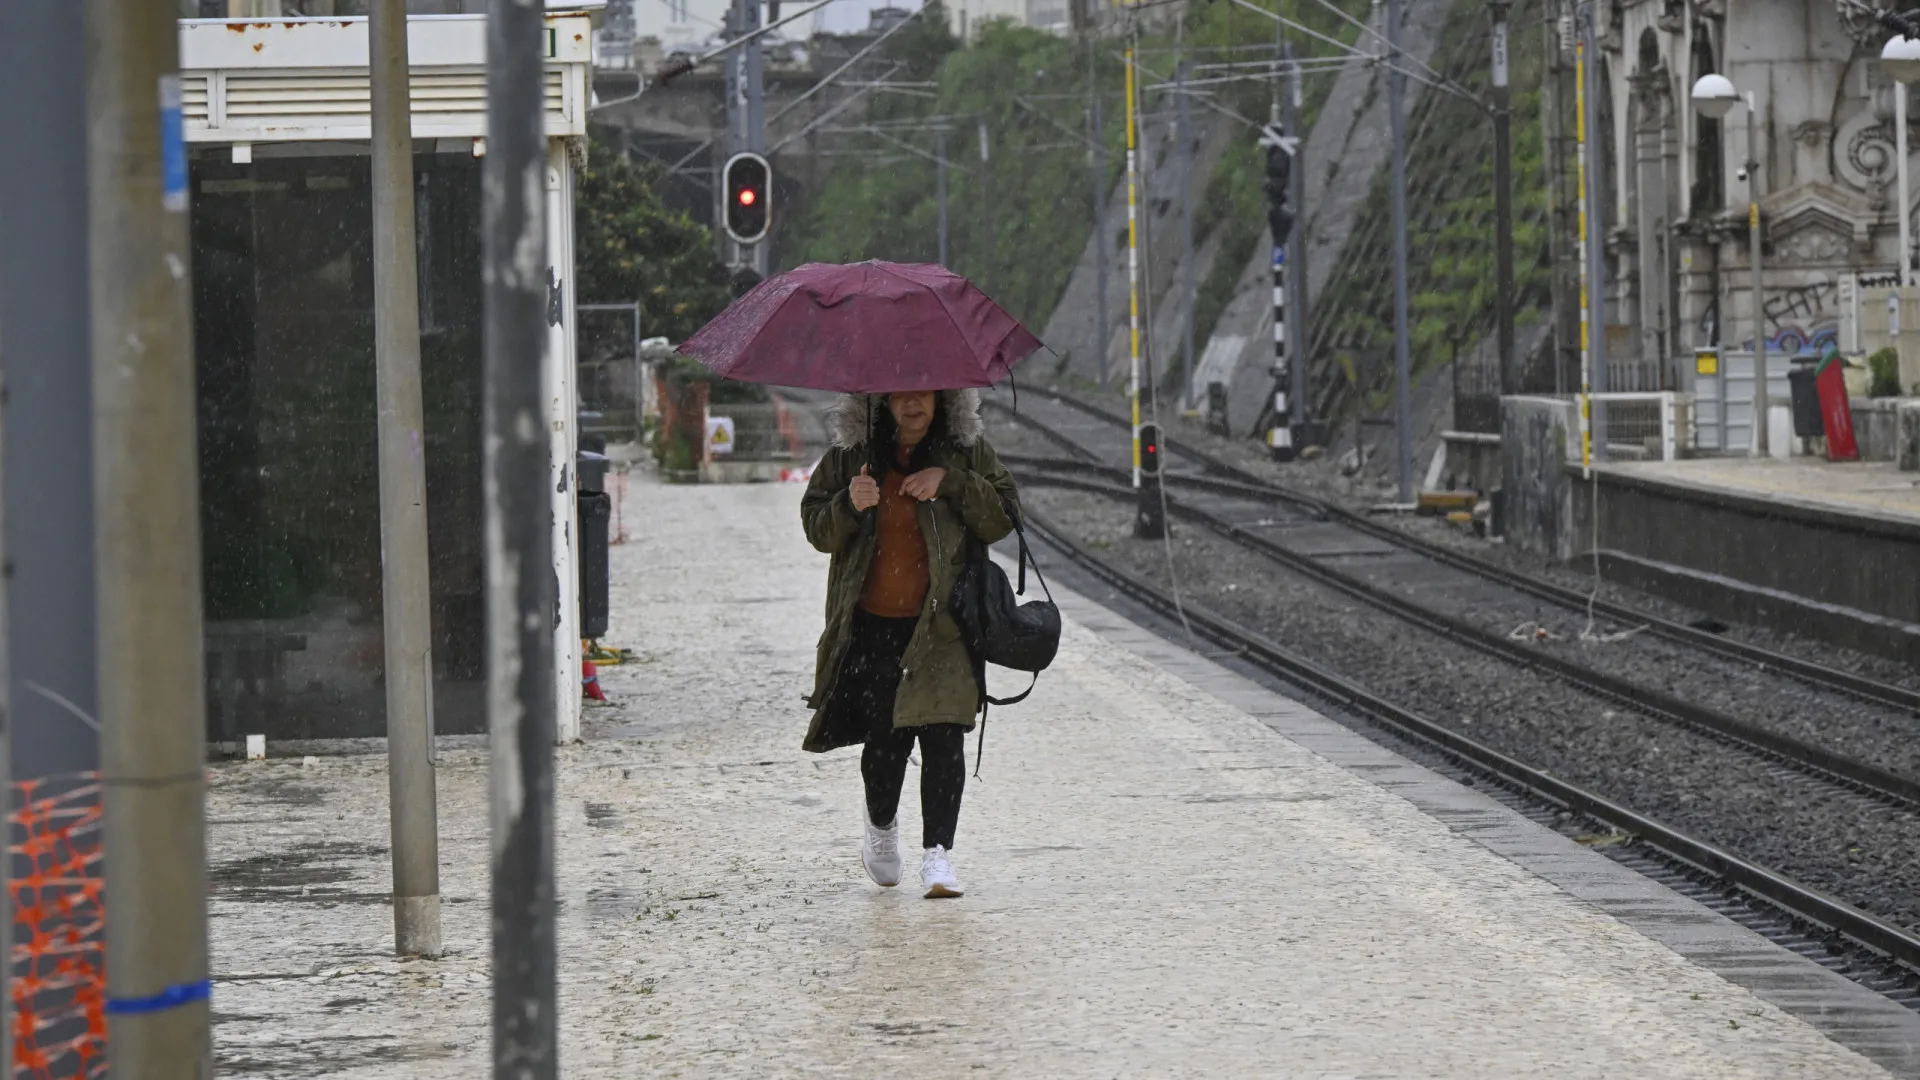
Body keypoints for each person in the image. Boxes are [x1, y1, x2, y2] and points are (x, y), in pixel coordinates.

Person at [800, 388, 1019, 898]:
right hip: (873, 627)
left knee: (945, 739)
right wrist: (847, 505)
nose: (913, 403)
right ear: (880, 400)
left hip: (944, 627)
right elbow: (816, 526)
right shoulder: (852, 457)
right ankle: (879, 826)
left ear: (944, 398)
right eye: (901, 395)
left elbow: (1005, 516)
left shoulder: (966, 452)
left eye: (924, 393)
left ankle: (938, 855)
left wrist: (954, 482)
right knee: (886, 744)